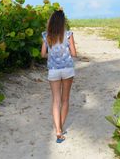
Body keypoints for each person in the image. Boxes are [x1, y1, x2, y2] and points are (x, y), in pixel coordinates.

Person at [41, 9, 77, 143]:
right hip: (67, 69)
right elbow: (74, 54)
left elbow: (42, 54)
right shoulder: (68, 34)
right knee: (65, 100)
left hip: (53, 71)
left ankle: (57, 130)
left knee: (56, 100)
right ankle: (60, 128)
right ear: (63, 22)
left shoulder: (46, 35)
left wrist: (52, 54)